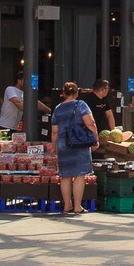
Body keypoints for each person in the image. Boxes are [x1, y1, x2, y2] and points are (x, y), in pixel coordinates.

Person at [51, 81, 98, 215]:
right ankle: (77, 206)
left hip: (63, 145)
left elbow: (54, 131)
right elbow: (91, 123)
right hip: (80, 143)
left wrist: (54, 146)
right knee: (79, 175)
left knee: (65, 176)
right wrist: (95, 139)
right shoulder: (81, 105)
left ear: (63, 94)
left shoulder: (58, 108)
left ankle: (67, 206)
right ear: (77, 93)